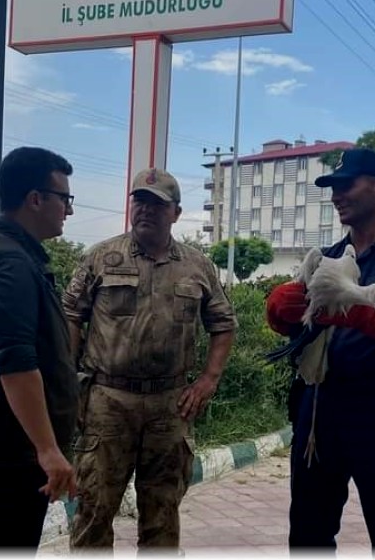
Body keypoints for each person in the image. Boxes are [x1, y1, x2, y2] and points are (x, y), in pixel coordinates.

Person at [264, 147, 375, 552]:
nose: (337, 195)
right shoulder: (328, 257)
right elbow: (302, 325)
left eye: (347, 185)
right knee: (308, 533)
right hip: (319, 408)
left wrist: (362, 315)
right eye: (333, 187)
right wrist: (282, 315)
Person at [64, 167, 238, 551]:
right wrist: (68, 379)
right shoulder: (101, 258)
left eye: (157, 205)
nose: (146, 211)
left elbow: (223, 324)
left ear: (175, 213)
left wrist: (208, 380)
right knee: (94, 510)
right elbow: (71, 316)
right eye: (139, 201)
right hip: (108, 403)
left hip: (169, 405)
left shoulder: (197, 266)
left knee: (162, 515)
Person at [0, 146, 80, 550]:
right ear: (35, 199)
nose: (69, 211)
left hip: (6, 456)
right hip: (4, 461)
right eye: (64, 198)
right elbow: (16, 364)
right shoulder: (9, 262)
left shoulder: (14, 255)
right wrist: (48, 450)